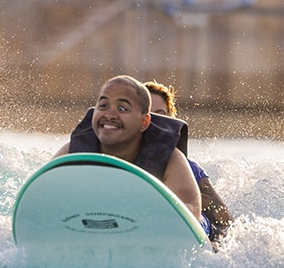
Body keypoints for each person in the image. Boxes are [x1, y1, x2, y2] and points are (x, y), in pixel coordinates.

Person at [54, 75, 203, 225]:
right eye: (103, 106)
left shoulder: (168, 157)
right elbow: (40, 194)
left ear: (144, 122)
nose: (110, 115)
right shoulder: (73, 152)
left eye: (122, 108)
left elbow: (191, 209)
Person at [144, 79, 234, 243]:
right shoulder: (117, 158)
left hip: (195, 231)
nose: (154, 122)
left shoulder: (189, 167)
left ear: (171, 121)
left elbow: (225, 223)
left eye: (160, 115)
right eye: (147, 113)